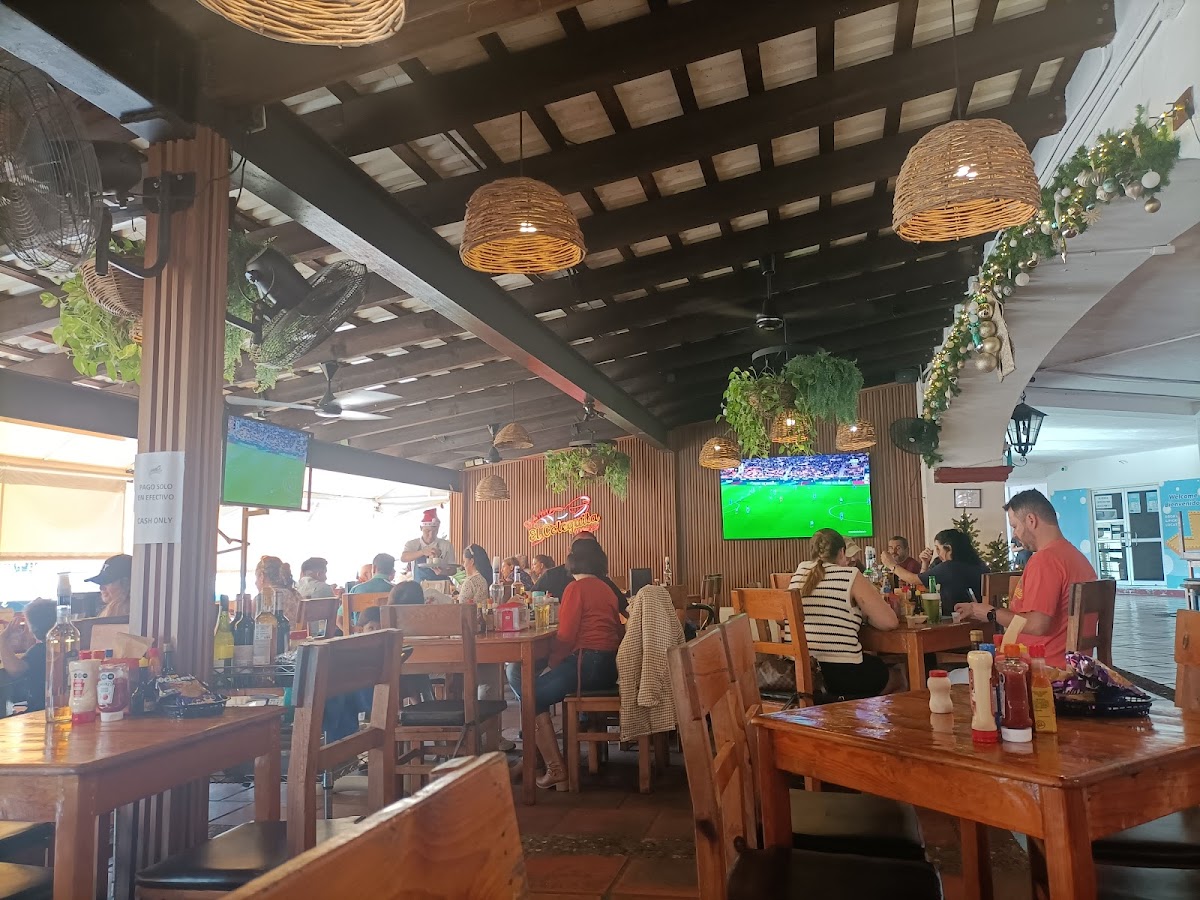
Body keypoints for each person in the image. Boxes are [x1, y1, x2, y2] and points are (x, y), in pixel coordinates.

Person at [507, 540, 624, 789]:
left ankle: (554, 767)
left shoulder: (575, 589)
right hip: (608, 667)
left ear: (572, 561)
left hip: (585, 665)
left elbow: (566, 637)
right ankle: (537, 760)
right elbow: (616, 628)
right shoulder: (606, 589)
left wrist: (552, 664)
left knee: (530, 695)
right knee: (532, 690)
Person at [954, 489, 1096, 666]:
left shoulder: (1046, 560)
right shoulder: (1076, 557)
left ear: (1031, 520)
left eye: (1015, 526)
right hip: (1074, 665)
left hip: (1041, 668)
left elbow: (1038, 625)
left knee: (954, 676)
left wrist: (991, 613)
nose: (1014, 534)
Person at [789, 528, 898, 698]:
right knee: (898, 675)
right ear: (842, 552)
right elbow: (890, 622)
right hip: (841, 674)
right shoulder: (850, 575)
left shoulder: (799, 572)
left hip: (799, 671)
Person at [882, 529, 990, 614]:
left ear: (949, 549)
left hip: (957, 618)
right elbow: (924, 585)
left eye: (938, 548)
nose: (937, 553)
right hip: (981, 617)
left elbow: (914, 580)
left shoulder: (949, 567)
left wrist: (891, 565)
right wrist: (925, 563)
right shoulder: (979, 564)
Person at [0, 598, 57, 712]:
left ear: (33, 629)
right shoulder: (58, 647)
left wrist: (2, 639)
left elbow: (15, 670)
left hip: (40, 709)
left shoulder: (40, 650)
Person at [400, 509, 456, 583]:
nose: (431, 535)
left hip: (441, 585)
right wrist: (422, 552)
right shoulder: (412, 544)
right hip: (419, 585)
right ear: (421, 528)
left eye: (434, 531)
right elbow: (403, 558)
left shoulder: (446, 545)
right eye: (427, 531)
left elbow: (453, 570)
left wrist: (444, 572)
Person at [257, 556, 303, 627]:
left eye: (256, 578)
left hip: (273, 634)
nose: (255, 582)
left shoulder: (263, 597)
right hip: (295, 634)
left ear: (262, 576)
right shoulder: (296, 594)